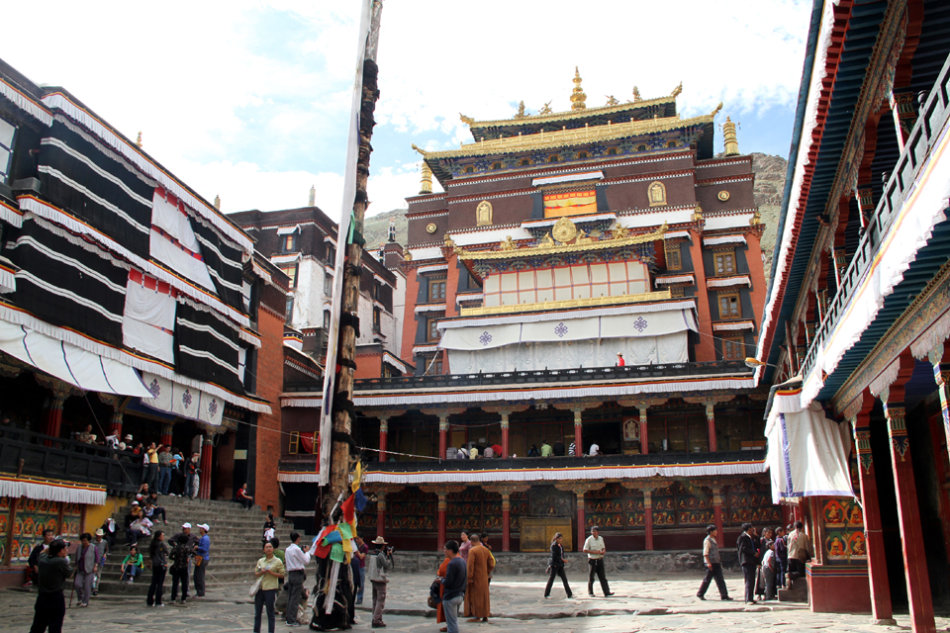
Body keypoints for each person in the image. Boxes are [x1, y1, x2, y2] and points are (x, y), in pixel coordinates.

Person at [29, 538, 71, 633]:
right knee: (55, 626)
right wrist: (64, 557)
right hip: (55, 597)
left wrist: (52, 546)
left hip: (42, 596)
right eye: (65, 549)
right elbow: (69, 573)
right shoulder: (61, 562)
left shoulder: (43, 560)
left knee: (38, 626)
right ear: (60, 551)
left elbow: (42, 552)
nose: (67, 551)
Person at [253, 541, 286, 633]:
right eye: (266, 547)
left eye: (270, 547)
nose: (268, 549)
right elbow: (256, 573)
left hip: (270, 588)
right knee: (258, 612)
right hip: (260, 588)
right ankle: (256, 630)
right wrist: (262, 572)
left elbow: (282, 574)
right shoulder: (260, 561)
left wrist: (272, 573)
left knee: (270, 612)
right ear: (264, 549)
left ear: (273, 549)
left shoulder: (277, 561)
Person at [696, 525, 731, 601]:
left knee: (720, 579)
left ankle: (724, 595)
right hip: (711, 563)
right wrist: (708, 563)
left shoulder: (713, 539)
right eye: (715, 530)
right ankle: (700, 593)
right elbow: (705, 553)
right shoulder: (707, 540)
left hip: (716, 562)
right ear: (711, 532)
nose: (716, 532)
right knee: (707, 579)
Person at [464, 533, 494, 622]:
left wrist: (469, 577)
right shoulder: (485, 549)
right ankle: (485, 615)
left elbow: (470, 566)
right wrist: (486, 571)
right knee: (484, 596)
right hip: (484, 577)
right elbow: (491, 563)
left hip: (475, 577)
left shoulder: (472, 551)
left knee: (475, 596)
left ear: (471, 541)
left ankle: (477, 616)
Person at [284, 532, 311, 627]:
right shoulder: (296, 549)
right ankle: (291, 619)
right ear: (298, 539)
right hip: (297, 573)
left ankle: (288, 617)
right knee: (295, 598)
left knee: (291, 596)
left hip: (291, 573)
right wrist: (307, 552)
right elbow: (306, 560)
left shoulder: (287, 549)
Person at [367, 536, 394, 629]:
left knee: (375, 599)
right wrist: (389, 556)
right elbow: (387, 565)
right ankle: (377, 619)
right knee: (380, 600)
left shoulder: (372, 554)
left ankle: (375, 617)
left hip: (373, 578)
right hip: (380, 579)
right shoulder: (381, 555)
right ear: (382, 546)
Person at [441, 540, 466, 633]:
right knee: (454, 621)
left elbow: (448, 582)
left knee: (451, 624)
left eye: (445, 549)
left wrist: (441, 580)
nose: (444, 551)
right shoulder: (462, 561)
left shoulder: (452, 563)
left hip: (451, 596)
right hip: (460, 594)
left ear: (450, 550)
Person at [583, 526, 612, 597]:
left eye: (595, 531)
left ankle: (606, 592)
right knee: (591, 577)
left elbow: (603, 547)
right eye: (592, 531)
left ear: (598, 532)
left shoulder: (600, 538)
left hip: (599, 559)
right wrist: (594, 552)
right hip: (592, 560)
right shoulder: (589, 540)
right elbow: (585, 550)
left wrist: (603, 551)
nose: (593, 533)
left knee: (602, 577)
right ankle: (590, 592)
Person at [543, 532, 572, 599]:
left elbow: (562, 554)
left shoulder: (560, 546)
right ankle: (546, 594)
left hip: (560, 565)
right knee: (551, 579)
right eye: (559, 539)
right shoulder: (554, 546)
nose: (560, 540)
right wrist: (562, 560)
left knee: (564, 580)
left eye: (561, 539)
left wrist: (563, 560)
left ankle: (569, 594)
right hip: (554, 565)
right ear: (556, 539)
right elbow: (554, 556)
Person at [73, 532, 97, 608]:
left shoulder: (93, 547)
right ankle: (80, 598)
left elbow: (97, 558)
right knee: (77, 584)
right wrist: (75, 566)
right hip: (80, 569)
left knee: (87, 586)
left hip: (89, 569)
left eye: (85, 540)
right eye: (83, 540)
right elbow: (77, 558)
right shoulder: (79, 547)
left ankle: (85, 601)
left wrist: (95, 566)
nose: (84, 542)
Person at [737, 522, 758, 604]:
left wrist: (756, 536)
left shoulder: (750, 537)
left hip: (752, 561)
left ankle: (750, 597)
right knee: (749, 580)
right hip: (747, 561)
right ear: (749, 529)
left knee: (752, 580)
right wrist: (753, 553)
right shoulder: (742, 538)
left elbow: (758, 545)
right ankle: (748, 599)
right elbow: (743, 548)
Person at [147, 530, 169, 607]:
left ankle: (150, 600)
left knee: (153, 583)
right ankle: (158, 601)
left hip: (155, 565)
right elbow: (166, 552)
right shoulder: (161, 545)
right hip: (161, 565)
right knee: (159, 584)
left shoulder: (152, 544)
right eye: (162, 535)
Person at [169, 533, 191, 604]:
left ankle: (173, 598)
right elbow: (193, 552)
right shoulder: (187, 548)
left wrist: (175, 558)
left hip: (176, 566)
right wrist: (187, 558)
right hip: (184, 567)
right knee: (184, 583)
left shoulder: (175, 548)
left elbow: (170, 556)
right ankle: (183, 598)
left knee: (175, 583)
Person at [193, 523, 210, 597]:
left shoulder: (205, 538)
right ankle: (199, 591)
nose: (200, 529)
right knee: (197, 575)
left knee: (199, 575)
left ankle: (200, 591)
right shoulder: (203, 538)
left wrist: (197, 548)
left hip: (202, 558)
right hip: (200, 558)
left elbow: (205, 549)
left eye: (201, 528)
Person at [92, 528, 109, 597]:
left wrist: (105, 554)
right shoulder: (93, 543)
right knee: (92, 575)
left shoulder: (104, 542)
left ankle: (96, 589)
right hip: (93, 560)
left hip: (101, 560)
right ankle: (92, 587)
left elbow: (106, 550)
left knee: (98, 575)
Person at [353, 535, 368, 604]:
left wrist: (357, 552)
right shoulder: (356, 546)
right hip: (355, 566)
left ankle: (359, 598)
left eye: (358, 539)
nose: (357, 540)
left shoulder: (365, 547)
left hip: (361, 566)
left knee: (361, 583)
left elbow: (362, 557)